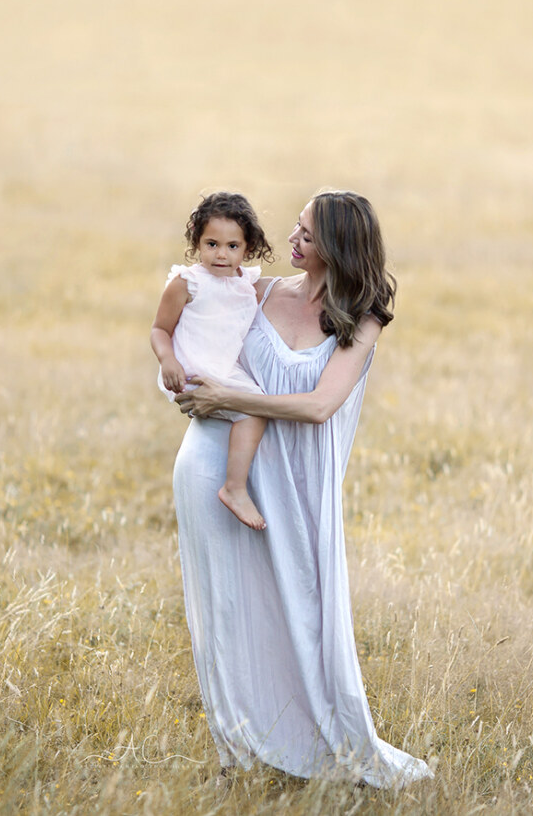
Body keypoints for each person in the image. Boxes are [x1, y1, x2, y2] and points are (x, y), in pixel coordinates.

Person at [171, 190, 433, 788]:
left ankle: (314, 741)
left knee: (304, 612)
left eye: (307, 234)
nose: (291, 239)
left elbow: (318, 406)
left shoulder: (360, 321)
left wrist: (226, 397)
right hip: (217, 463)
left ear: (336, 249)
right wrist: (187, 380)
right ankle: (235, 752)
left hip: (301, 485)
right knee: (225, 609)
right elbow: (191, 343)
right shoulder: (255, 291)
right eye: (296, 225)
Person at [151, 192, 275, 531]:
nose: (221, 254)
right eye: (212, 244)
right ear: (197, 242)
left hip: (224, 370)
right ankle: (234, 487)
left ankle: (237, 479)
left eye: (232, 246)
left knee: (259, 404)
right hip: (192, 369)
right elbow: (160, 329)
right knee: (256, 409)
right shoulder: (187, 283)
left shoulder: (245, 281)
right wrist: (168, 360)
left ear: (247, 248)